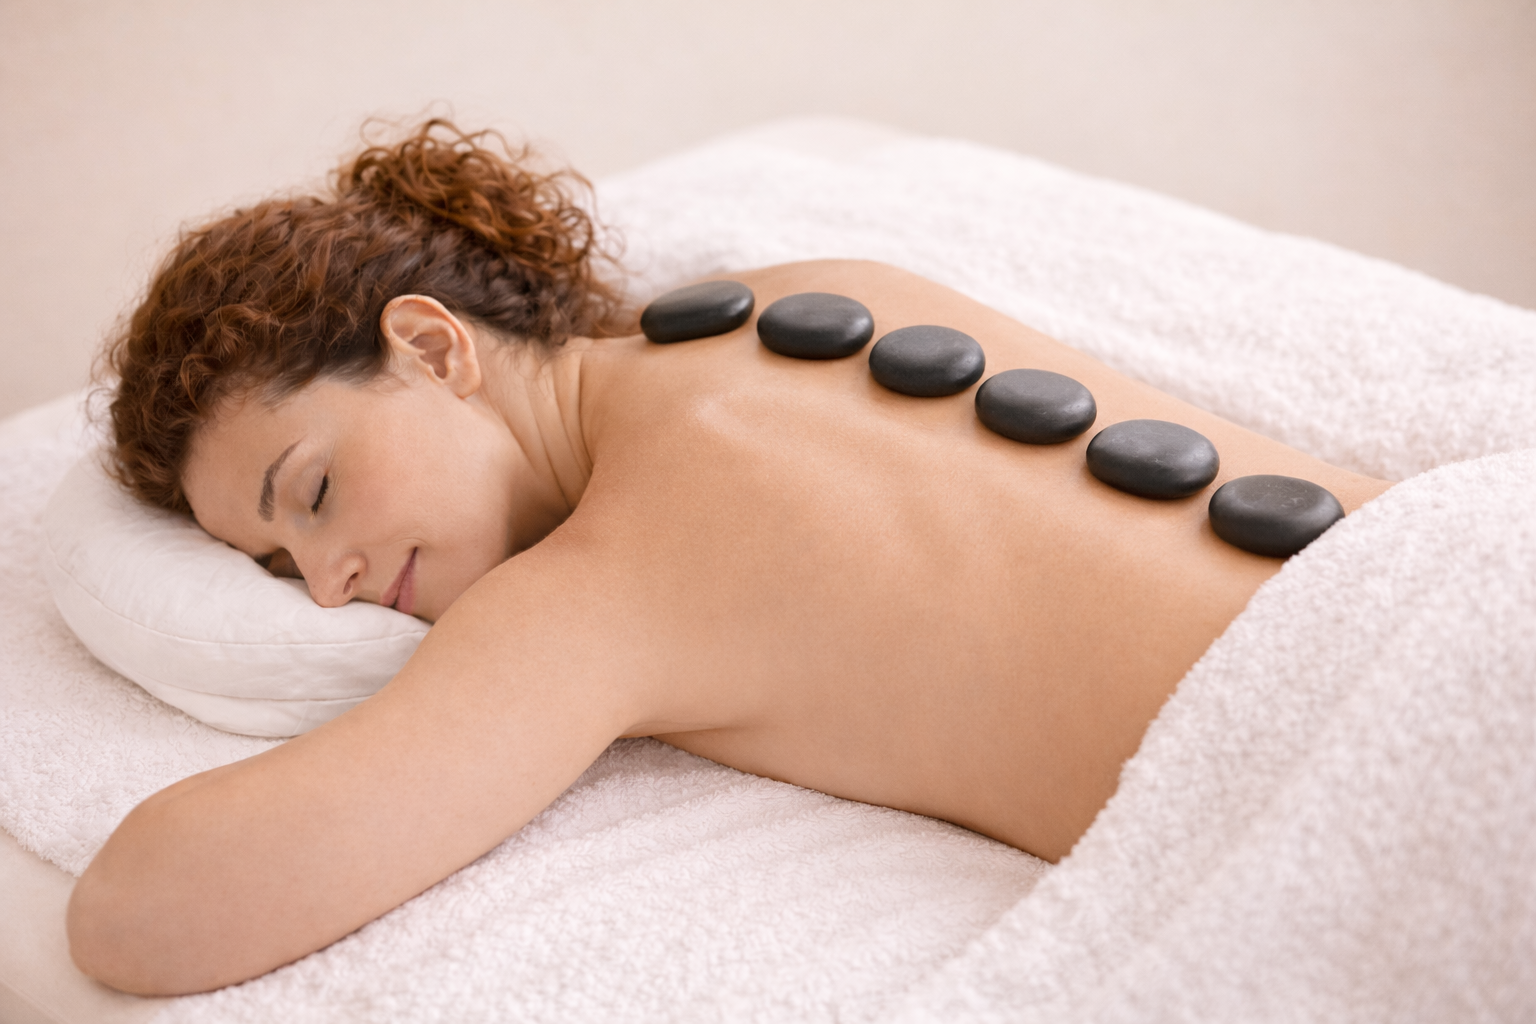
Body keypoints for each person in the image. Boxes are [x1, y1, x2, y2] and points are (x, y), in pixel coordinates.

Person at [67, 119, 1392, 996]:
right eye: (277, 570)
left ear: (431, 346)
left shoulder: (599, 590)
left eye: (312, 493)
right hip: (1435, 561)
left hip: (1381, 727)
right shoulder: (806, 299)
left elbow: (135, 921)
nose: (330, 582)